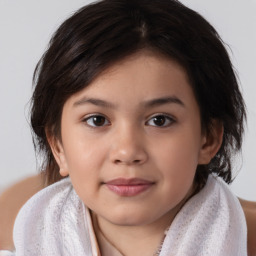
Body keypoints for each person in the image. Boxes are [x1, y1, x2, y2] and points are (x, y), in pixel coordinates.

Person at [0, 0, 253, 255]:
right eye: (97, 120)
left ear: (208, 138)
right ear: (58, 145)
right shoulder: (20, 231)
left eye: (159, 120)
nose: (127, 151)